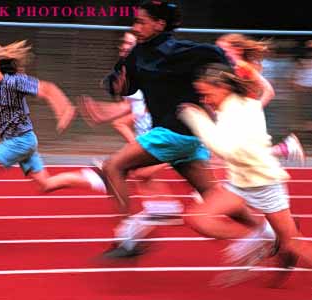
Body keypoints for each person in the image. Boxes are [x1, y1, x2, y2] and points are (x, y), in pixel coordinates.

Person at [99, 0, 234, 257]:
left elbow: (214, 54)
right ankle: (265, 230)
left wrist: (229, 78)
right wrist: (114, 85)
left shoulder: (178, 50)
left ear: (159, 24)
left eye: (141, 21)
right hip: (187, 137)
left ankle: (128, 236)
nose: (135, 27)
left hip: (173, 130)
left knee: (113, 166)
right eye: (135, 21)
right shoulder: (138, 54)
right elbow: (123, 83)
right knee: (211, 193)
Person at [0, 40, 106, 240]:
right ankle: (98, 180)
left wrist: (64, 108)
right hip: (22, 142)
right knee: (46, 184)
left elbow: (47, 89)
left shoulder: (14, 81)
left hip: (21, 141)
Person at [178, 63, 312, 287]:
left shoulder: (238, 111)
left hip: (264, 183)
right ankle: (263, 237)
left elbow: (226, 150)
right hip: (240, 183)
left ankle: (266, 238)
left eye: (206, 94)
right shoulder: (234, 106)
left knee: (293, 245)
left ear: (222, 87)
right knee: (198, 218)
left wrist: (197, 119)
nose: (204, 100)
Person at [216, 33, 305, 164]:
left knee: (232, 152)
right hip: (236, 113)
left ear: (238, 50)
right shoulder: (236, 67)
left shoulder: (243, 67)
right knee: (233, 152)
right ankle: (284, 148)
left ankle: (284, 148)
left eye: (223, 50)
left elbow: (269, 90)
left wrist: (253, 110)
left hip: (242, 114)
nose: (220, 53)